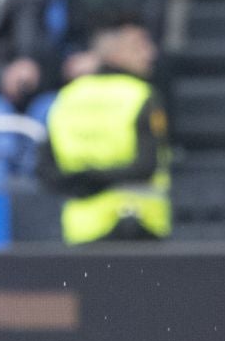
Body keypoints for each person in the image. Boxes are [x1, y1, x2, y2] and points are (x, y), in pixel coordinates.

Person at [39, 18, 169, 242]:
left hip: (82, 229)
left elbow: (45, 170)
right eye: (138, 47)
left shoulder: (68, 97)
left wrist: (84, 182)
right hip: (140, 227)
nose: (150, 54)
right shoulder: (141, 95)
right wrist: (103, 179)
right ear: (113, 54)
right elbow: (147, 164)